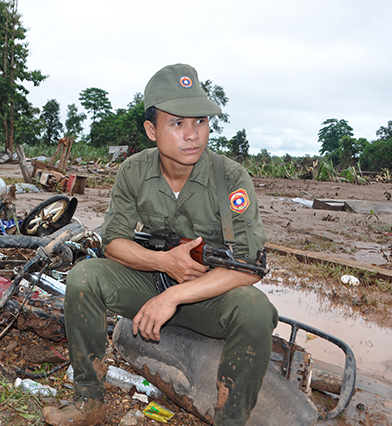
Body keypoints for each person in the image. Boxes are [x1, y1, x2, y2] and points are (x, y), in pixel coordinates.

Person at [43, 64, 278, 426]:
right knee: (83, 276)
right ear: (152, 130)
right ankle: (88, 400)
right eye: (178, 123)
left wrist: (173, 297)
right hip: (151, 279)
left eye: (200, 121)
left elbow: (250, 268)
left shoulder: (230, 177)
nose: (192, 135)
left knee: (255, 309)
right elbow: (114, 243)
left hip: (207, 297)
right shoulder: (133, 172)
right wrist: (165, 262)